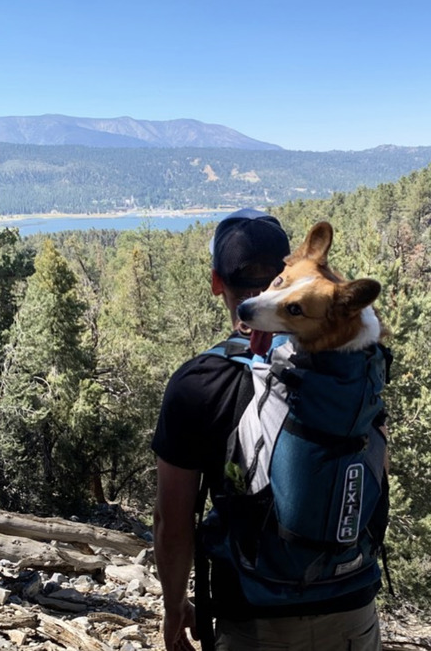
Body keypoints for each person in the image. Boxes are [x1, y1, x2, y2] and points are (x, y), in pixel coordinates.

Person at [152, 208, 384, 651]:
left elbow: (172, 520)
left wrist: (174, 604)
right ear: (289, 268)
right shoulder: (351, 370)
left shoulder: (198, 384)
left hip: (257, 617)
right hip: (352, 604)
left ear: (217, 282)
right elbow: (375, 462)